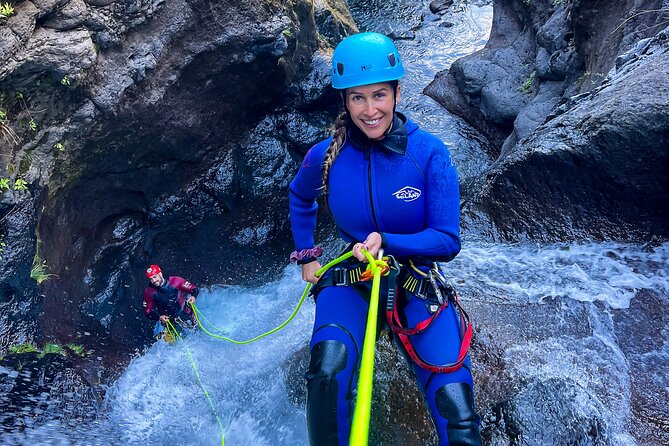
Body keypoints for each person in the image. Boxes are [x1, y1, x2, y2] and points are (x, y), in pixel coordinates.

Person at [288, 32, 481, 445]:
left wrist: (388, 241)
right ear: (344, 101)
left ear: (397, 92)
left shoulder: (429, 154)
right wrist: (307, 255)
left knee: (456, 408)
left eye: (379, 95)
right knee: (325, 373)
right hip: (355, 279)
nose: (370, 110)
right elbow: (300, 195)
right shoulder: (326, 155)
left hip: (415, 279)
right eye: (357, 98)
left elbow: (447, 240)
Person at [142, 264, 199, 334]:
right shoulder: (149, 292)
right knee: (183, 341)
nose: (154, 280)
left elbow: (194, 289)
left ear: (160, 273)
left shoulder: (175, 281)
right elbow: (147, 312)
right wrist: (159, 317)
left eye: (155, 277)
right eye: (151, 279)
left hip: (186, 312)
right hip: (169, 321)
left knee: (198, 332)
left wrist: (193, 296)